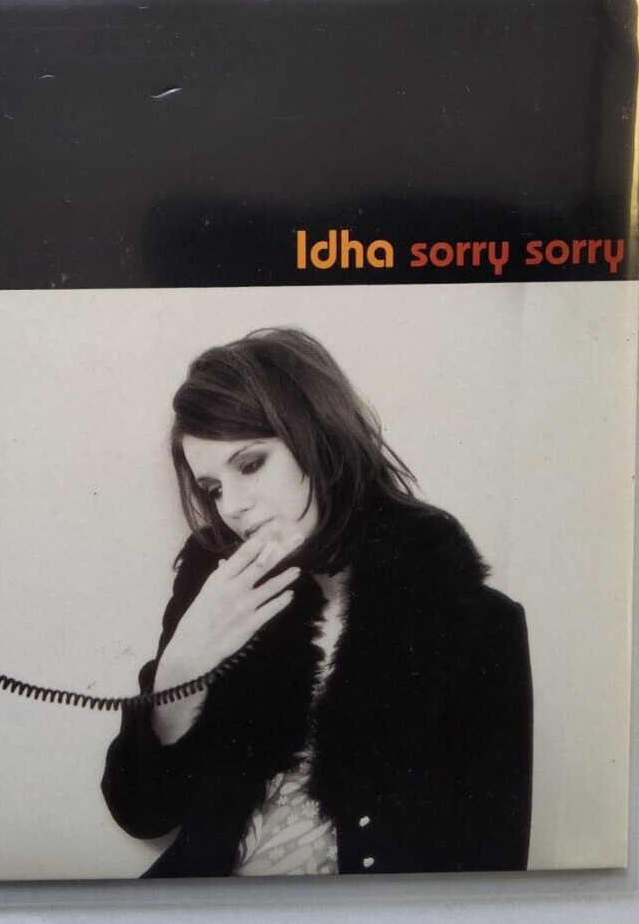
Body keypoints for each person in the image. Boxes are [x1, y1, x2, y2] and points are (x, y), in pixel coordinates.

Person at [102, 327, 533, 877]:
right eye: (213, 488)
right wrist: (182, 669)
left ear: (318, 439)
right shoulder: (212, 594)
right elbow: (141, 813)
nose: (232, 507)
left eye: (250, 464)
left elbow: (493, 863)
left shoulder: (480, 623)